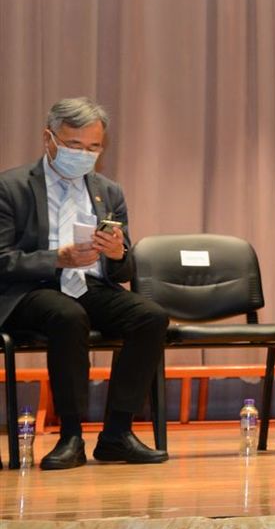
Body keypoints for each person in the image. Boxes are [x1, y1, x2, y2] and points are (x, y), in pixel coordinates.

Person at [0, 98, 168, 469]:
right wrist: (57, 258)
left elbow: (123, 272)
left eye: (93, 148)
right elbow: (3, 260)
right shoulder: (10, 187)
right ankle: (71, 436)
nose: (83, 155)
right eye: (74, 145)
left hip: (90, 285)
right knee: (67, 315)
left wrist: (117, 254)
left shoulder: (109, 191)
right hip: (31, 289)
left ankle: (117, 434)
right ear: (48, 139)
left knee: (150, 316)